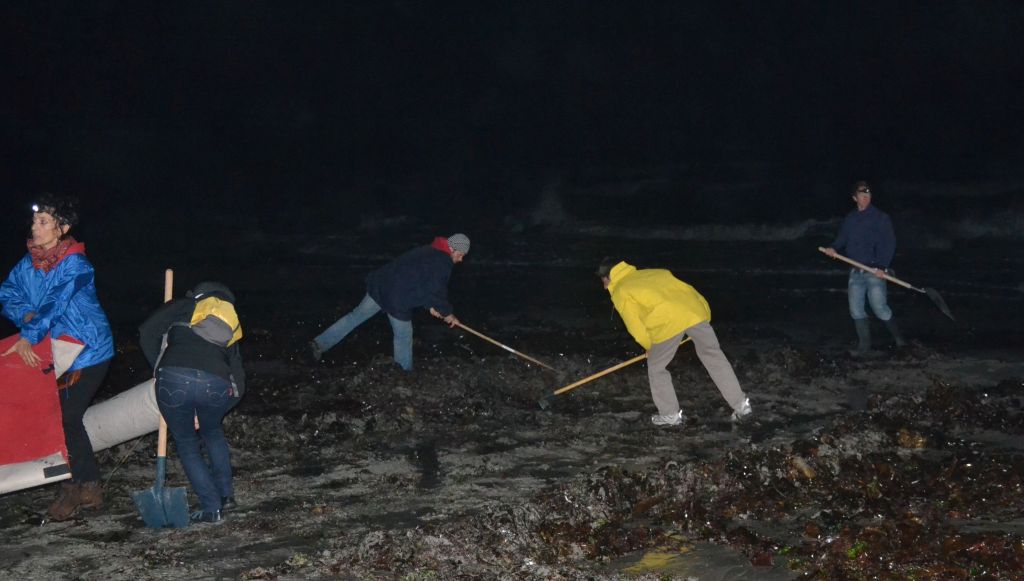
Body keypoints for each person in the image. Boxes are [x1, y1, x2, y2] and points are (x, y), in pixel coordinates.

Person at [0, 195, 115, 520]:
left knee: (66, 415)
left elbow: (55, 303)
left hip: (90, 349)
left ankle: (81, 488)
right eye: (34, 222)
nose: (34, 228)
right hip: (55, 348)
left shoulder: (77, 265)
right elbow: (7, 293)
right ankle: (81, 485)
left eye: (43, 222)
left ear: (62, 228)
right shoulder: (29, 264)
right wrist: (26, 318)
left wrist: (29, 335)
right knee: (58, 415)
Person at [597, 259, 751, 426]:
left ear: (610, 276)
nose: (604, 287)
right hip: (695, 312)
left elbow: (634, 325)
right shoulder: (657, 272)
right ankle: (741, 406)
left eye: (603, 281)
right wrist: (704, 315)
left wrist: (649, 346)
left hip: (668, 321)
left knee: (656, 368)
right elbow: (689, 291)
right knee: (714, 357)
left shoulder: (621, 290)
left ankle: (669, 415)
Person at [139, 281, 245, 524]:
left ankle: (212, 508)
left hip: (174, 377)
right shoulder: (229, 326)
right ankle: (227, 497)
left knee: (187, 442)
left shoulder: (184, 306)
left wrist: (159, 366)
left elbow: (146, 332)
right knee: (212, 432)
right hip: (216, 384)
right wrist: (218, 411)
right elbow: (239, 381)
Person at [310, 233, 469, 371]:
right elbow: (436, 291)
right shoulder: (443, 261)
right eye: (461, 254)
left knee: (355, 317)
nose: (461, 259)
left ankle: (318, 344)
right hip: (396, 296)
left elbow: (421, 283)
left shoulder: (428, 250)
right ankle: (403, 374)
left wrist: (431, 306)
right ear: (453, 249)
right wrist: (448, 314)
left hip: (381, 286)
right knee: (403, 336)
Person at [823, 181, 906, 356]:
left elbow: (889, 243)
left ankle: (900, 340)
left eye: (868, 194)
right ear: (855, 198)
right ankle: (864, 348)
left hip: (874, 271)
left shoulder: (881, 218)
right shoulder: (850, 219)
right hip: (855, 271)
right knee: (856, 310)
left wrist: (882, 266)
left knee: (879, 308)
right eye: (862, 195)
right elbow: (842, 238)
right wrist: (833, 248)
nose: (866, 197)